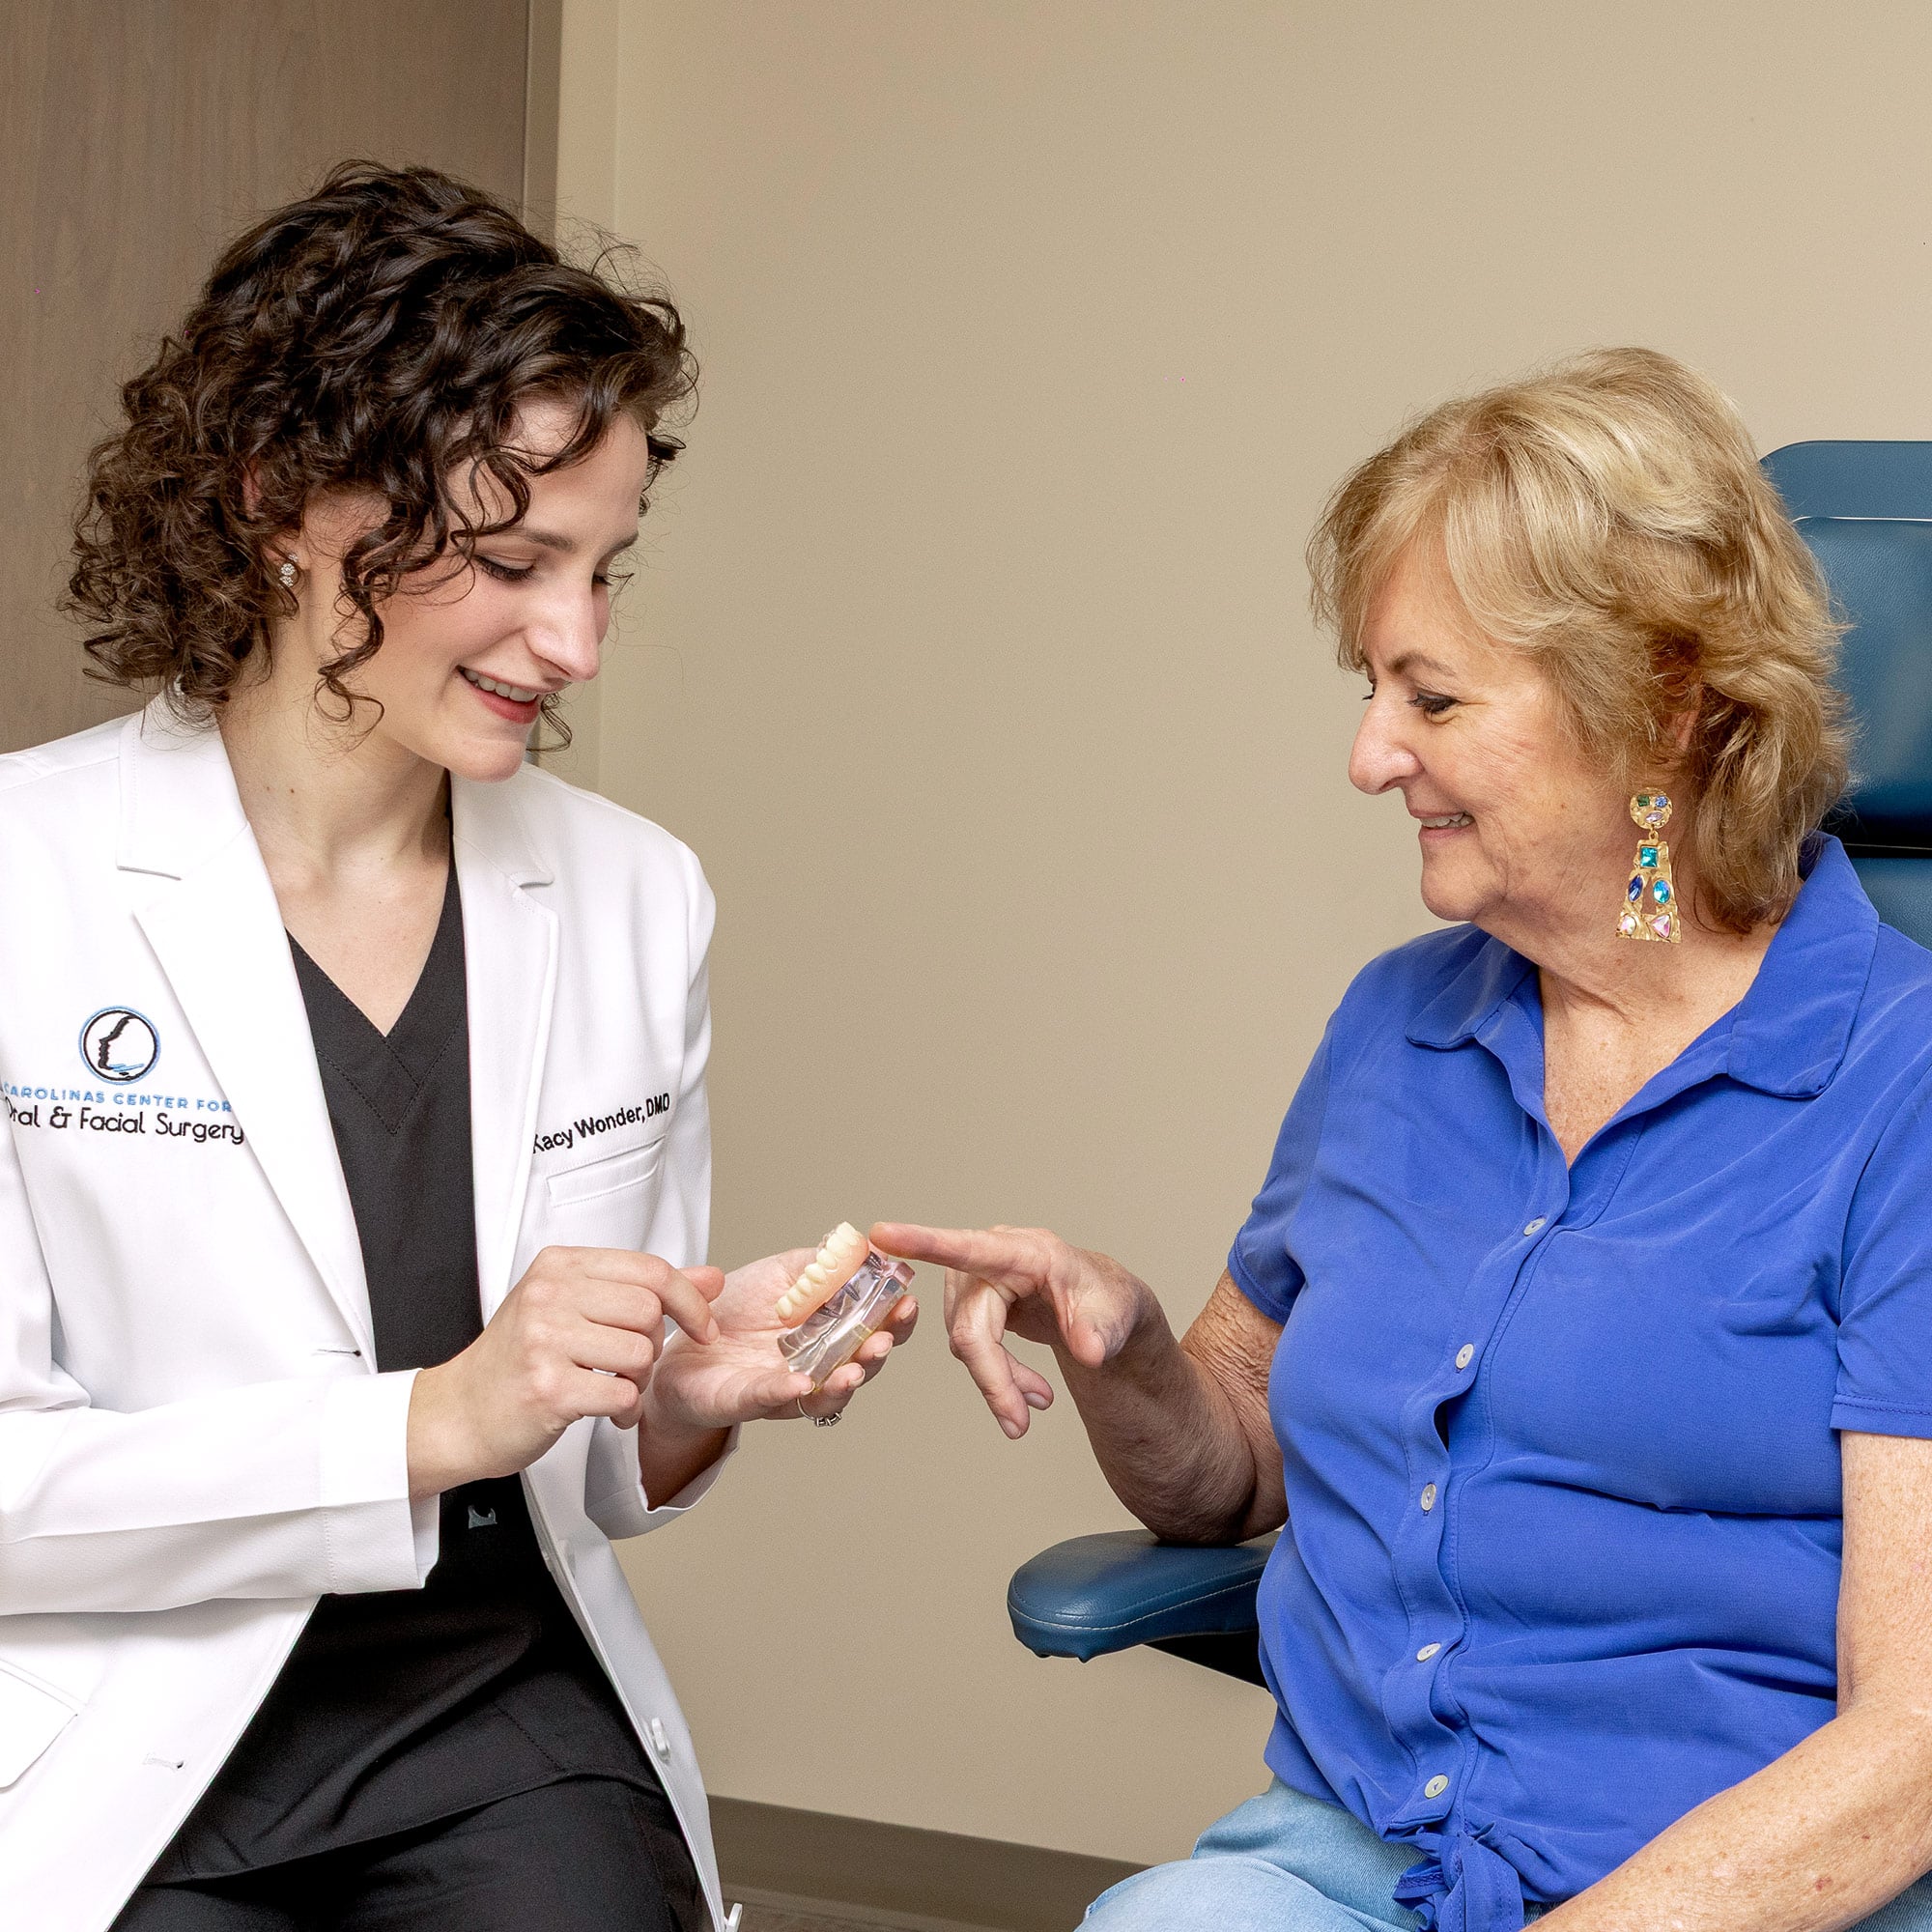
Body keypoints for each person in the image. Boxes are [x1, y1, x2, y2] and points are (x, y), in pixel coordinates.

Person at [879, 348, 1932, 1932]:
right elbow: (1237, 1473)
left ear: (1660, 705)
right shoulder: (1402, 1029)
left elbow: (1911, 1747)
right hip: (1363, 1866)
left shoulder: (1900, 1086)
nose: (1370, 755)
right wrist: (1129, 1352)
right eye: (1373, 690)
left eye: (1431, 698)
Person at [0, 163, 915, 1932]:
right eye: (508, 562)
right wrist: (428, 1421)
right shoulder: (22, 883)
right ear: (280, 499)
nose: (571, 643)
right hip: (123, 1715)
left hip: (491, 1716)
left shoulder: (638, 894)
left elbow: (578, 1477)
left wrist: (677, 1404)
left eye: (602, 569)